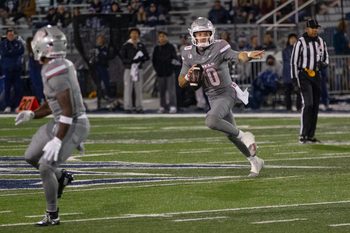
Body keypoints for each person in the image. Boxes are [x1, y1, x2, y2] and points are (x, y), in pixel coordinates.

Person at [14, 26, 90, 226]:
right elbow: (53, 105)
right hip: (61, 120)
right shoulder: (54, 66)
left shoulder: (56, 69)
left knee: (45, 166)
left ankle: (52, 214)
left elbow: (68, 110)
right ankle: (62, 177)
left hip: (72, 123)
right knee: (30, 156)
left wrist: (58, 139)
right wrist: (32, 113)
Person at [178, 17, 265, 177]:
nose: (203, 37)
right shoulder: (187, 53)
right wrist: (189, 76)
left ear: (212, 34)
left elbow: (238, 56)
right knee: (230, 135)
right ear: (193, 35)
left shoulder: (220, 46)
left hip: (226, 93)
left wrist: (249, 55)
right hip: (212, 97)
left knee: (211, 121)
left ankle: (245, 135)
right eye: (199, 34)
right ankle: (255, 161)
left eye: (206, 33)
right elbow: (181, 82)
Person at [291, 19, 329, 144]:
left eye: (316, 28)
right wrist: (294, 81)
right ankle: (303, 134)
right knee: (308, 104)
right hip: (304, 75)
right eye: (312, 28)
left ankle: (310, 135)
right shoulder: (300, 42)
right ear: (306, 29)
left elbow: (326, 59)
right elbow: (294, 62)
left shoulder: (321, 41)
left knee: (315, 106)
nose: (315, 30)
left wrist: (323, 64)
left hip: (316, 76)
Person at [119, 27, 149, 113]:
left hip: (138, 69)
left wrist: (141, 59)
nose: (134, 35)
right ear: (130, 35)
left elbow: (147, 56)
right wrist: (131, 61)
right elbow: (122, 58)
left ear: (138, 35)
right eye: (133, 33)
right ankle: (127, 107)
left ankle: (139, 106)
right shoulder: (126, 45)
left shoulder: (141, 45)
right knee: (128, 88)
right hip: (129, 69)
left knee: (138, 88)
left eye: (136, 33)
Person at [152, 31, 178, 113]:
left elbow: (175, 59)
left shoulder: (171, 47)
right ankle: (162, 106)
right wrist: (157, 70)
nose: (162, 38)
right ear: (158, 38)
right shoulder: (156, 48)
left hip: (169, 72)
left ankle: (172, 106)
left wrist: (171, 68)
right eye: (160, 36)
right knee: (161, 91)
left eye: (163, 36)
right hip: (160, 73)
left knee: (171, 91)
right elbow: (154, 61)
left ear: (167, 38)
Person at [0, 28, 24, 113]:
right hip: (7, 69)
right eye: (9, 35)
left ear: (15, 35)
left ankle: (17, 105)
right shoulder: (3, 44)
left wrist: (11, 52)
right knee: (7, 89)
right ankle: (7, 105)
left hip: (17, 69)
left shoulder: (19, 43)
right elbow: (5, 53)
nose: (11, 36)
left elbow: (21, 51)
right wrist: (14, 52)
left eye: (12, 35)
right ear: (6, 35)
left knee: (18, 88)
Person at [282, 33, 301, 111]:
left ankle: (299, 107)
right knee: (287, 93)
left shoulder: (300, 49)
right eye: (291, 38)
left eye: (294, 39)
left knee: (299, 92)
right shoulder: (285, 50)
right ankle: (288, 108)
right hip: (287, 74)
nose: (292, 40)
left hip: (297, 74)